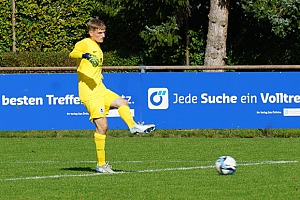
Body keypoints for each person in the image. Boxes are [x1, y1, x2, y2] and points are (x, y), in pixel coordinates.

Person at [69, 17, 155, 173]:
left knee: (123, 102)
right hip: (89, 92)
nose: (103, 36)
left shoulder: (98, 47)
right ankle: (101, 165)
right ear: (91, 32)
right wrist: (84, 56)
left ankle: (133, 126)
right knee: (102, 126)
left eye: (104, 33)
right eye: (100, 33)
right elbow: (72, 53)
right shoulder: (84, 43)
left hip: (100, 88)